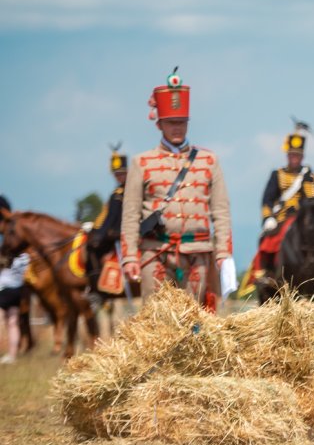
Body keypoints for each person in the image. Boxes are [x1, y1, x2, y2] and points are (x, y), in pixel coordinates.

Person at [120, 68, 235, 309]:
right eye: (172, 123)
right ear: (159, 124)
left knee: (195, 322)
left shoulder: (208, 160)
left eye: (182, 122)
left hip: (198, 252)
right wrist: (130, 256)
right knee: (157, 322)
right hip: (156, 253)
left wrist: (224, 253)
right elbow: (130, 215)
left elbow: (221, 211)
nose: (177, 128)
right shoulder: (141, 163)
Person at [253, 121, 314, 288]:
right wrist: (268, 217)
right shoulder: (278, 175)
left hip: (306, 218)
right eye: (291, 155)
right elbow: (267, 199)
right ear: (287, 155)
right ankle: (265, 271)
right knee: (269, 239)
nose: (294, 158)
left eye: (297, 155)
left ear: (302, 156)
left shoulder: (311, 177)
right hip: (284, 215)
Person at [84, 143, 128, 311]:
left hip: (121, 232)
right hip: (115, 231)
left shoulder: (122, 192)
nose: (119, 176)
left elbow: (111, 219)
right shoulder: (117, 191)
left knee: (93, 248)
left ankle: (98, 291)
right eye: (116, 174)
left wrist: (99, 235)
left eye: (121, 173)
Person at [0, 249, 29, 364]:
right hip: (17, 290)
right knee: (13, 323)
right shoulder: (25, 256)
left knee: (4, 323)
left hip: (2, 289)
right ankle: (12, 356)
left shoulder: (5, 252)